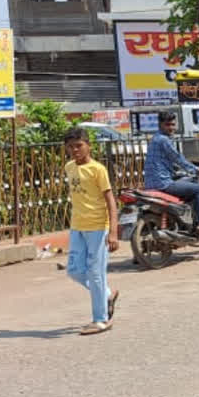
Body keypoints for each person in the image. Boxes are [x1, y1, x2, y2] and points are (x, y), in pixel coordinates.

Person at [63, 127, 119, 336]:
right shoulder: (69, 167)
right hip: (77, 226)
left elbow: (110, 200)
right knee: (74, 270)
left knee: (96, 273)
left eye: (79, 145)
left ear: (88, 146)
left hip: (97, 228)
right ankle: (106, 295)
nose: (75, 150)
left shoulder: (98, 169)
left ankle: (101, 319)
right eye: (70, 147)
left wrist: (113, 232)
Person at [143, 110, 199, 234]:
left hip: (151, 183)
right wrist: (195, 169)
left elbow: (167, 160)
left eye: (173, 124)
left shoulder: (155, 138)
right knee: (198, 189)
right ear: (160, 125)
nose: (171, 128)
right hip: (163, 183)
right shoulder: (164, 140)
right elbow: (177, 158)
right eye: (168, 125)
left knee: (184, 183)